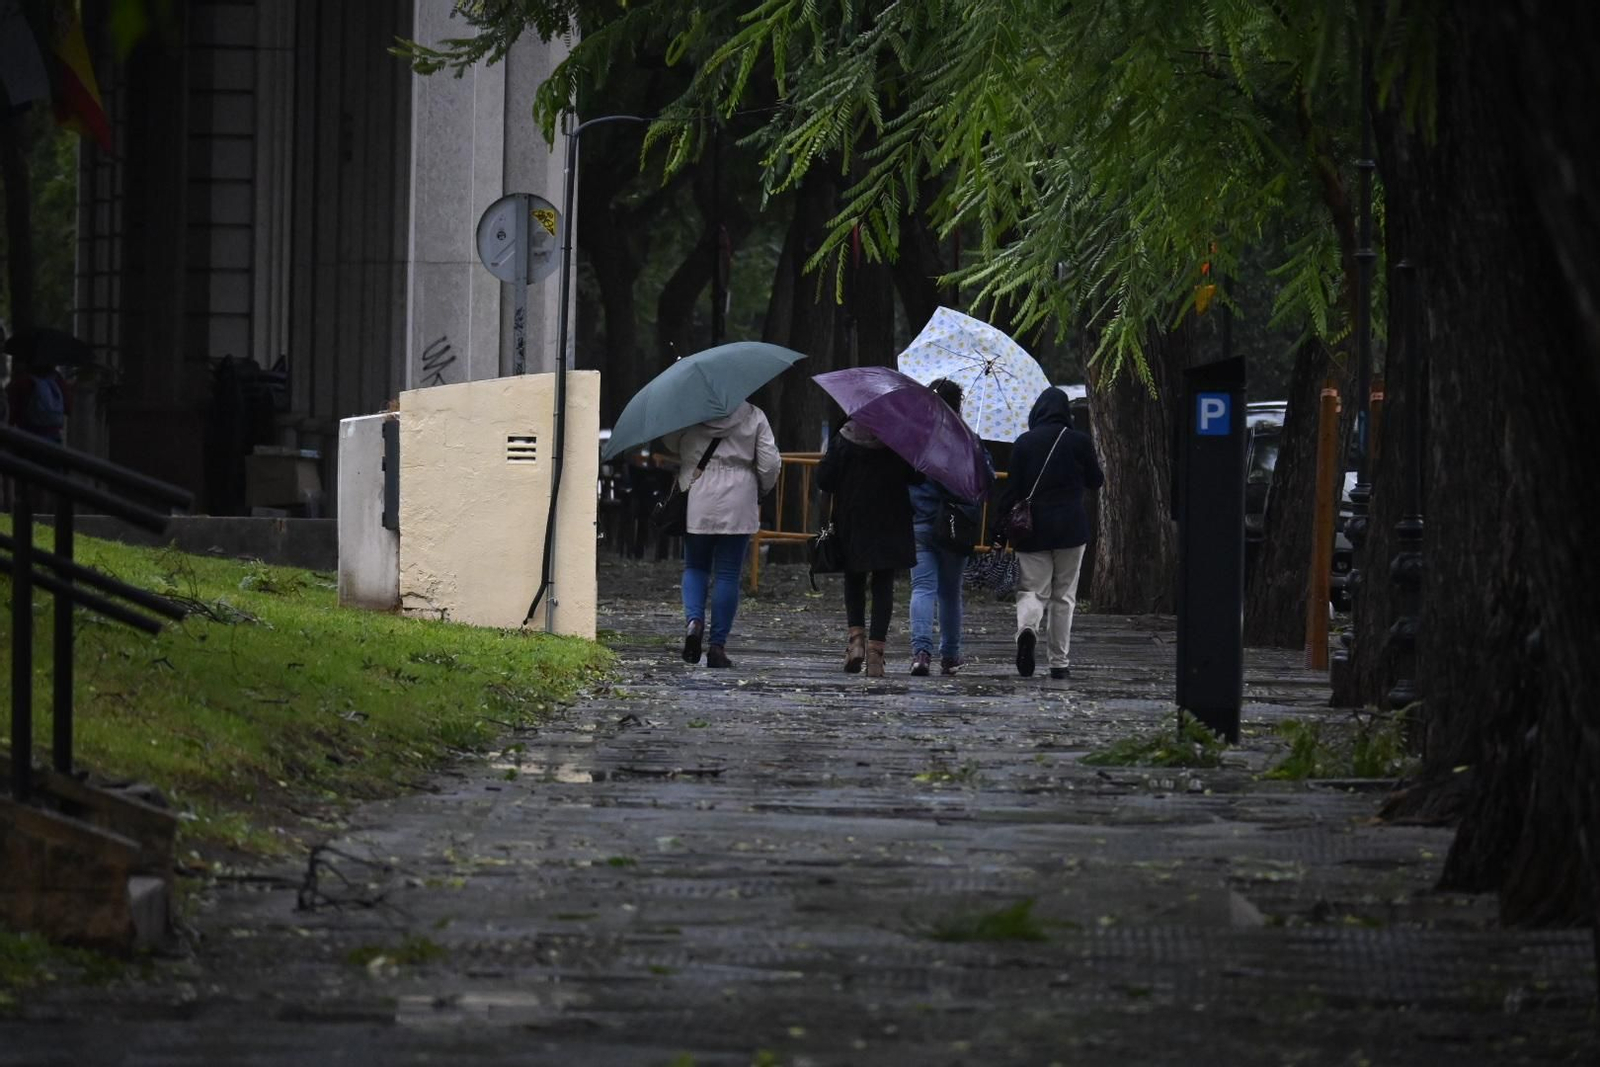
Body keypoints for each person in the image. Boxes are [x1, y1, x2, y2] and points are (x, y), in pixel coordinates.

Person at [663, 401, 780, 669]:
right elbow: (770, 463)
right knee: (727, 574)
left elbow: (670, 442)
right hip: (739, 496)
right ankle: (717, 646)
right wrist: (761, 489)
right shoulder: (754, 415)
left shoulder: (690, 411)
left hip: (698, 492)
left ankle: (694, 622)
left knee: (695, 566)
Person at [997, 387, 1104, 680]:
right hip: (1071, 527)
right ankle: (1059, 663)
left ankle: (1028, 629)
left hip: (1032, 530)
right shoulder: (1078, 441)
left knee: (1032, 590)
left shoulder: (1024, 443)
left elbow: (1013, 491)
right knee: (1064, 597)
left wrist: (999, 527)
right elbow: (1097, 481)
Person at [816, 416, 922, 678]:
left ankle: (855, 643)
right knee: (883, 583)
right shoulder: (899, 437)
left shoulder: (845, 435)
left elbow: (824, 479)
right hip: (890, 519)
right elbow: (916, 476)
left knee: (854, 578)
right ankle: (876, 654)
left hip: (853, 517)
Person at [906, 379, 990, 676]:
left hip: (920, 522)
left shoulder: (915, 438)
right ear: (959, 405)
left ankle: (920, 653)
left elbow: (906, 479)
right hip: (956, 526)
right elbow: (985, 480)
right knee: (951, 592)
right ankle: (951, 656)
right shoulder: (968, 439)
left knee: (922, 587)